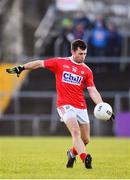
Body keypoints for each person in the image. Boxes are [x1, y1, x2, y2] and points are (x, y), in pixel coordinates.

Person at [6, 39, 104, 169]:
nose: (83, 57)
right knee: (75, 132)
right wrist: (22, 67)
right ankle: (85, 158)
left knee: (85, 140)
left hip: (81, 106)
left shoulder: (87, 71)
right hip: (65, 105)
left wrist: (102, 105)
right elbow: (39, 63)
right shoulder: (60, 62)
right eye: (80, 53)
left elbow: (92, 90)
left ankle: (71, 153)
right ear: (73, 51)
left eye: (85, 54)